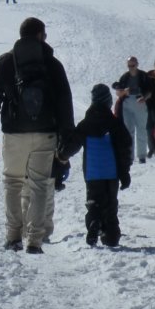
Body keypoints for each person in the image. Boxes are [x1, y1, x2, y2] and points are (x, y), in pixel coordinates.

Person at [0, 16, 75, 254]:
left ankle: (13, 236)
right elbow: (65, 103)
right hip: (45, 134)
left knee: (13, 183)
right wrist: (66, 139)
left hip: (14, 134)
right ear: (40, 35)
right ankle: (34, 240)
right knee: (39, 185)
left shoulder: (5, 62)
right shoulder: (52, 64)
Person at [59, 84, 134, 247]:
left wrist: (62, 155)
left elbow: (73, 144)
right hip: (112, 172)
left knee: (94, 202)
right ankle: (111, 236)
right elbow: (125, 147)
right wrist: (125, 172)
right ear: (108, 102)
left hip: (92, 172)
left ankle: (94, 221)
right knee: (111, 204)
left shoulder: (86, 124)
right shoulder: (115, 123)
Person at [112, 56, 153, 163]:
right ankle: (129, 156)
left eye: (133, 65)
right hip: (127, 103)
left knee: (141, 130)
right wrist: (123, 91)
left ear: (137, 65)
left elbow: (150, 91)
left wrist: (144, 98)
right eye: (129, 66)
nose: (131, 68)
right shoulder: (125, 77)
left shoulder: (143, 76)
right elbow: (119, 92)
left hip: (140, 102)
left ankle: (142, 156)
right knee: (128, 130)